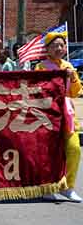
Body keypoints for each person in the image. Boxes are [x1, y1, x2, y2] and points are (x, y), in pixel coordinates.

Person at [35, 32, 82, 202]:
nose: (59, 48)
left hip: (67, 114)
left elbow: (76, 93)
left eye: (62, 45)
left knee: (74, 148)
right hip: (47, 115)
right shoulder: (41, 67)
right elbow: (38, 91)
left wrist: (73, 77)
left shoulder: (68, 66)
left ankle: (67, 187)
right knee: (48, 153)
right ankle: (46, 187)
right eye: (55, 45)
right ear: (47, 49)